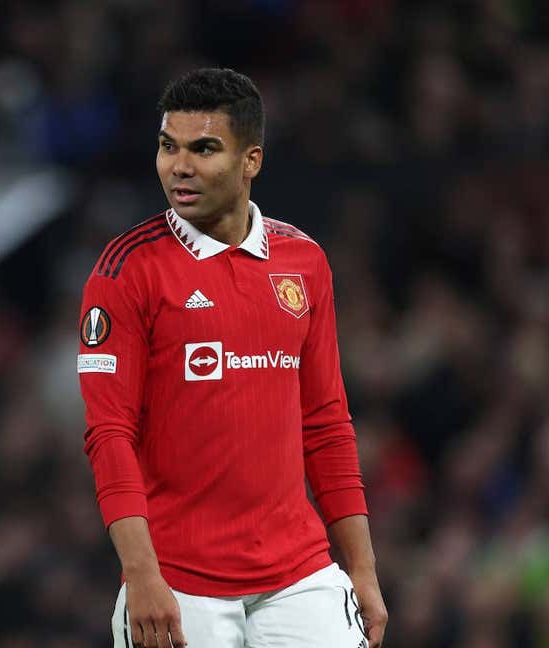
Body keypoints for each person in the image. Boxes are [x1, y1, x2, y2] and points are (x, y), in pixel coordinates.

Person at [77, 68, 388, 648]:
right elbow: (109, 433)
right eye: (168, 147)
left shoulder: (304, 262)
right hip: (179, 582)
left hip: (300, 575)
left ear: (251, 161)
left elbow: (325, 425)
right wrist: (143, 576)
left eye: (204, 149)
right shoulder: (124, 271)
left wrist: (362, 569)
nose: (180, 166)